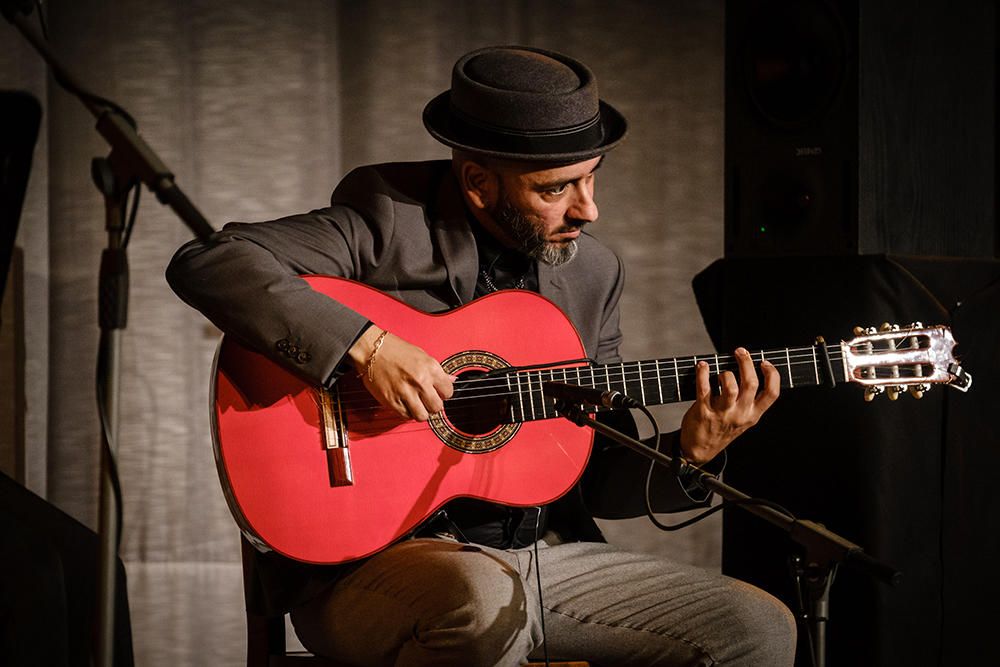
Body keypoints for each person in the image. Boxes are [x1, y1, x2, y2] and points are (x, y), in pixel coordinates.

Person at [166, 45, 796, 666]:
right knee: (483, 603)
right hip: (372, 564)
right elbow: (210, 262)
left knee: (757, 626)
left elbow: (598, 475)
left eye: (591, 177)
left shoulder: (592, 276)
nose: (588, 209)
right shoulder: (390, 218)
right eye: (556, 189)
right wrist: (368, 346)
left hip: (547, 559)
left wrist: (692, 450)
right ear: (476, 181)